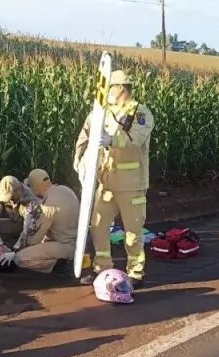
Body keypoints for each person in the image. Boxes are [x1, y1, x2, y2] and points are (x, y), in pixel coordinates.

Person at [73, 70, 155, 289]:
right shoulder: (101, 113)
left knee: (133, 230)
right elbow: (85, 135)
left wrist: (112, 138)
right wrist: (80, 161)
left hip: (131, 184)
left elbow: (136, 139)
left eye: (110, 87)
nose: (107, 92)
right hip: (106, 182)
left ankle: (136, 272)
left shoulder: (140, 113)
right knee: (98, 225)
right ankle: (102, 268)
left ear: (121, 88)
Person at [0, 169, 80, 274]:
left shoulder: (48, 206)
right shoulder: (64, 189)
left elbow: (33, 238)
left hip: (65, 245)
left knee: (20, 259)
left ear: (34, 186)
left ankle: (57, 264)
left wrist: (15, 253)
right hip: (74, 240)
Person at [0, 175, 41, 251]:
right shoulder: (0, 193)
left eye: (10, 197)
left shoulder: (30, 199)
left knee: (25, 245)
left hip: (30, 227)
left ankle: (17, 249)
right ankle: (3, 248)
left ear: (18, 191)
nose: (8, 200)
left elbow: (29, 227)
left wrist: (17, 248)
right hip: (14, 223)